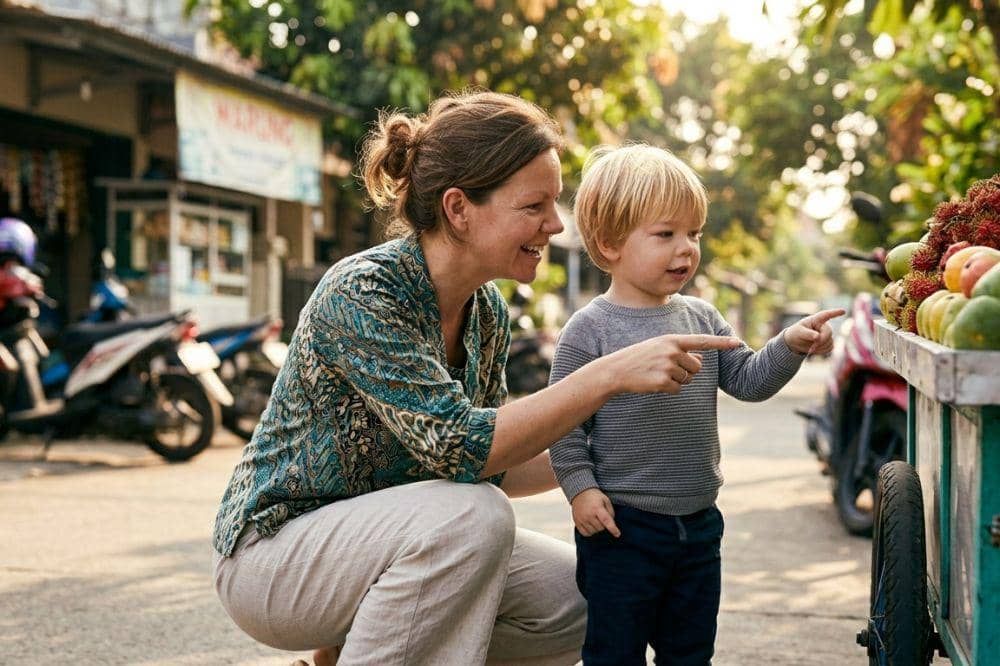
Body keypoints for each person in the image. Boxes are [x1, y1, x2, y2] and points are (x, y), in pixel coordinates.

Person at [211, 93, 741, 666]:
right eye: (535, 205)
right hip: (278, 559)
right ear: (459, 208)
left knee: (595, 593)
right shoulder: (363, 293)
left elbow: (497, 462)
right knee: (474, 518)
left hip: (389, 545)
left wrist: (623, 463)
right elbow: (462, 446)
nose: (556, 224)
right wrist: (608, 375)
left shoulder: (484, 309)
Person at [548, 144, 842, 665]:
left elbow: (749, 380)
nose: (686, 249)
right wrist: (580, 491)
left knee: (690, 654)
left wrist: (789, 346)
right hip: (622, 527)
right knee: (613, 654)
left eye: (694, 234)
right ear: (610, 243)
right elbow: (564, 425)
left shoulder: (702, 317)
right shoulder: (588, 330)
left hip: (699, 525)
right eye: (666, 234)